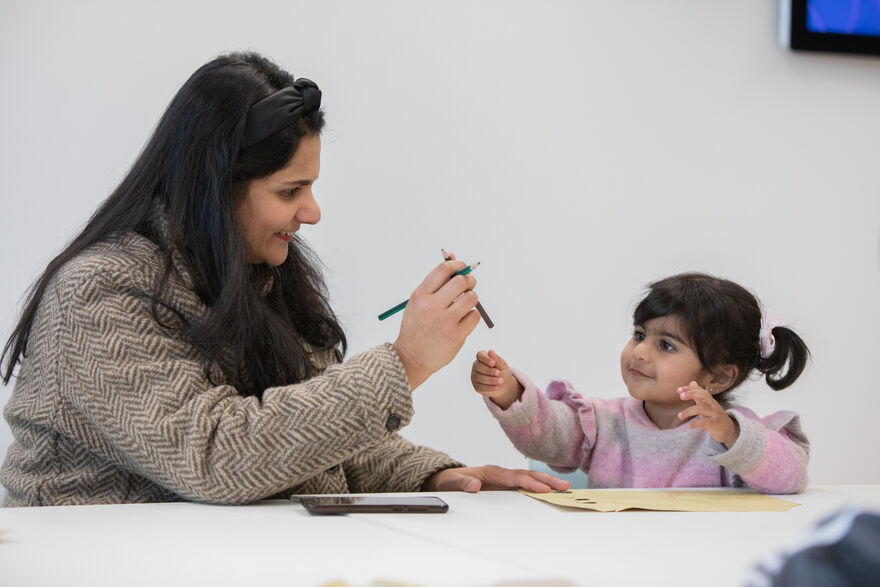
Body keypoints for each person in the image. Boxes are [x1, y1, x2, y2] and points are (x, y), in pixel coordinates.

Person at [0, 51, 569, 507]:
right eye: (290, 191)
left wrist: (435, 475)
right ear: (215, 188)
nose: (313, 212)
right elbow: (213, 456)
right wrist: (405, 364)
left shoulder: (264, 276)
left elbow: (309, 443)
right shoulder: (98, 292)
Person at [471, 272, 811, 493]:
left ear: (719, 376)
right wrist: (509, 393)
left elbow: (790, 478)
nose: (640, 353)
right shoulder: (603, 421)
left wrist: (732, 435)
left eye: (665, 345)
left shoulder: (733, 434)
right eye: (639, 335)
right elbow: (549, 438)